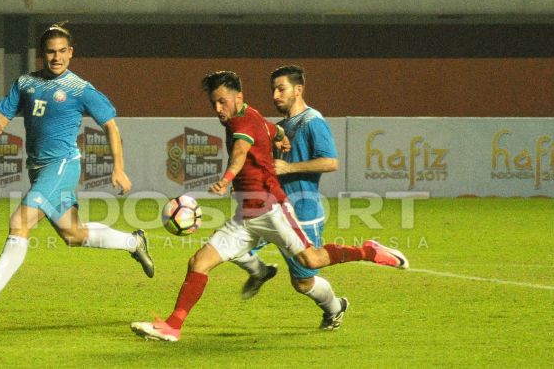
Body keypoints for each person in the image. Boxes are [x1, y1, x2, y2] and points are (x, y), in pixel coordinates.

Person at [130, 71, 408, 342]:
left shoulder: (242, 125)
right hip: (245, 216)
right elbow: (271, 128)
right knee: (199, 262)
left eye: (222, 101)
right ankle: (173, 327)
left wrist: (226, 179)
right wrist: (281, 137)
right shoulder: (251, 116)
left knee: (311, 262)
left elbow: (239, 152)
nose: (217, 108)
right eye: (213, 102)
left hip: (273, 210)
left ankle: (368, 251)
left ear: (238, 97)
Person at [0, 23, 155, 312]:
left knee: (19, 222)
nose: (56, 57)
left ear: (71, 53)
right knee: (72, 234)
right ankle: (132, 241)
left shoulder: (80, 89)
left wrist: (119, 169)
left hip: (62, 166)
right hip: (38, 169)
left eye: (62, 51)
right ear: (42, 54)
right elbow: (5, 110)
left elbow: (111, 126)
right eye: (51, 52)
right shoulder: (25, 83)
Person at [229, 65, 347, 331]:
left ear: (298, 89)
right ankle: (261, 271)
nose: (275, 95)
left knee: (302, 283)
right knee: (231, 249)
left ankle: (335, 308)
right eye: (273, 89)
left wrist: (290, 168)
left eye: (281, 89)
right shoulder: (280, 128)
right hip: (269, 209)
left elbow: (330, 162)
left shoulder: (312, 121)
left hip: (303, 212)